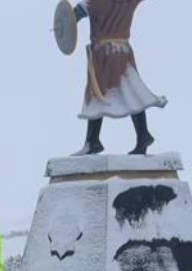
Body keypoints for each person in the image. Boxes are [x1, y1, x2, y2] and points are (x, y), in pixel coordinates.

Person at [71, 0, 167, 155]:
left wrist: (63, 23)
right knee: (130, 93)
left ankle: (93, 141)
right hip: (123, 50)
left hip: (104, 54)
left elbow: (74, 15)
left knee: (98, 95)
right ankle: (140, 135)